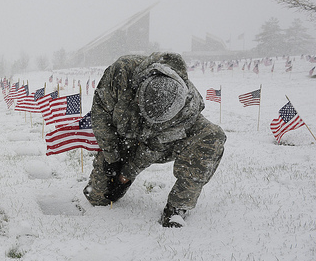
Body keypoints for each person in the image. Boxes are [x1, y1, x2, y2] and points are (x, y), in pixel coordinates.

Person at [83, 52, 226, 227]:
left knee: (213, 136)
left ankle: (178, 207)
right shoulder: (123, 72)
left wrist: (126, 175)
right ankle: (104, 182)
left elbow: (153, 148)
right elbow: (100, 115)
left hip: (155, 143)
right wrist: (112, 158)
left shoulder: (186, 109)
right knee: (97, 197)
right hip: (123, 135)